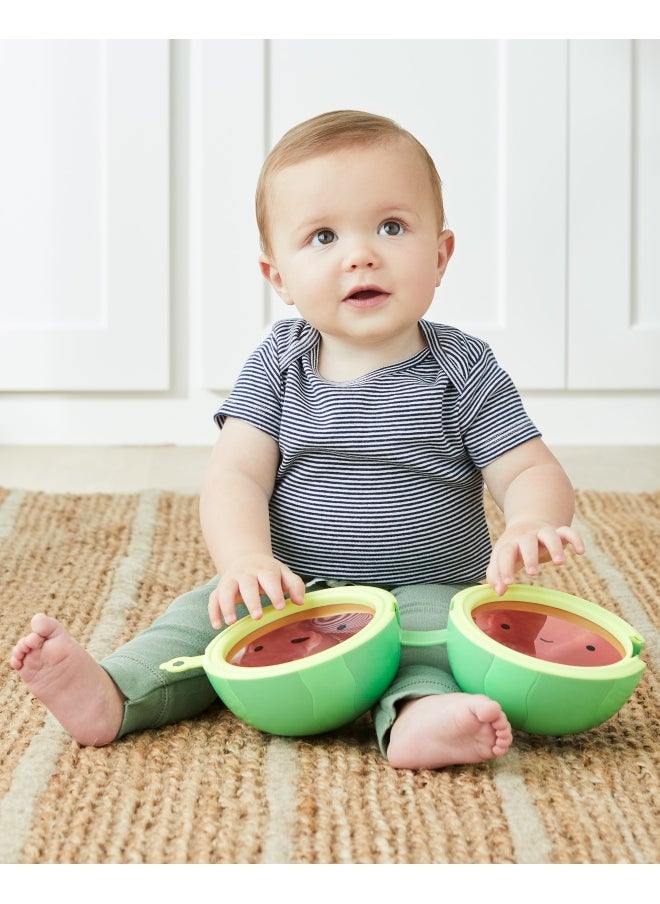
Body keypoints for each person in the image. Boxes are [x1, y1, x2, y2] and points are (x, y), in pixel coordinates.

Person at [10, 110, 585, 770]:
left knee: (441, 643)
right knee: (199, 619)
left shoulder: (463, 369)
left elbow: (528, 468)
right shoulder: (279, 364)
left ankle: (418, 717)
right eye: (322, 236)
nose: (360, 253)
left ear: (441, 254)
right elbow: (236, 477)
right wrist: (246, 561)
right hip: (292, 588)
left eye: (391, 227)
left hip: (426, 586)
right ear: (277, 275)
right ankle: (116, 692)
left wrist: (530, 523)